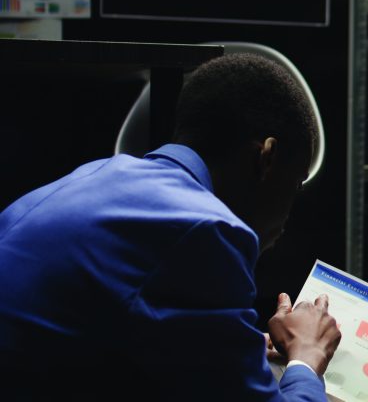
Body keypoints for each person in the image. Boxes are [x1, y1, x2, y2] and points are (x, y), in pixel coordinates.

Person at [0, 53, 341, 401]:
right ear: (266, 158)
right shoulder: (204, 229)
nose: (287, 217)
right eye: (294, 186)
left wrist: (234, 341)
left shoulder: (90, 177)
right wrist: (307, 357)